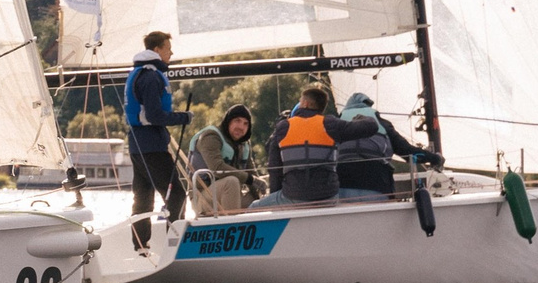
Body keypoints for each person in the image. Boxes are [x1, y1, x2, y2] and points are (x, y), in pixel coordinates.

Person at [255, 83, 388, 206]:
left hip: (293, 197)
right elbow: (371, 126)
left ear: (305, 103)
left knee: (253, 207)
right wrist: (362, 118)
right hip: (327, 197)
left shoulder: (283, 127)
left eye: (300, 101)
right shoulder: (331, 124)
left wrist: (276, 200)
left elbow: (274, 168)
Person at [124, 31, 189, 244]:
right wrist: (184, 117)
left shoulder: (139, 73)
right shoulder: (151, 77)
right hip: (152, 146)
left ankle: (140, 246)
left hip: (137, 145)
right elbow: (154, 115)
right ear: (157, 50)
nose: (171, 53)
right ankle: (175, 243)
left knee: (143, 198)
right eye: (168, 49)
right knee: (177, 193)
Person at [329, 91, 441, 200]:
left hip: (341, 185)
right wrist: (435, 158)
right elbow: (407, 151)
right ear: (369, 107)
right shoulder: (382, 123)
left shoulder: (336, 124)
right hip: (377, 183)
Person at [186, 103, 262, 214]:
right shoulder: (210, 137)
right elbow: (217, 168)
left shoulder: (244, 145)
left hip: (229, 196)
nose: (241, 127)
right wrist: (251, 179)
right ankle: (233, 226)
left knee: (257, 198)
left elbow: (252, 174)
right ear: (228, 121)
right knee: (231, 182)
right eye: (237, 121)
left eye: (246, 124)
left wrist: (261, 191)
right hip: (202, 197)